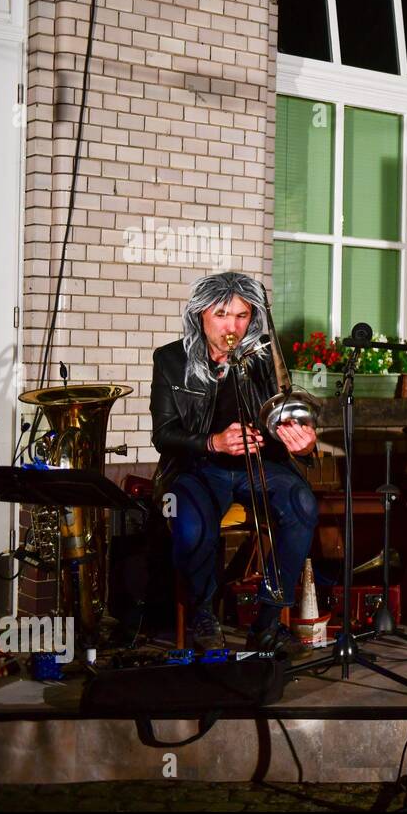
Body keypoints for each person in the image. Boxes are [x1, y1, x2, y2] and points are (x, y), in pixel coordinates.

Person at [151, 272, 320, 654]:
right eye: (223, 314)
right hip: (196, 467)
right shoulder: (170, 359)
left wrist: (304, 444)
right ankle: (203, 613)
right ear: (201, 314)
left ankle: (267, 622)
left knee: (302, 505)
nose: (233, 326)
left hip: (259, 465)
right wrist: (213, 441)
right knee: (192, 527)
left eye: (242, 316)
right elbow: (163, 434)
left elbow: (287, 417)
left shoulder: (262, 361)